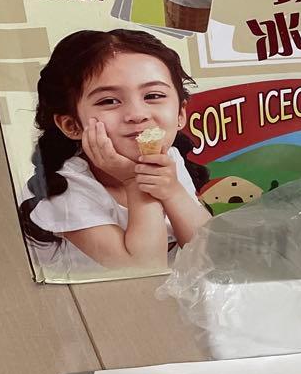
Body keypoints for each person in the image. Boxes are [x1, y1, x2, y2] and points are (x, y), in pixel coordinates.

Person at [18, 29, 211, 276]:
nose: (137, 114)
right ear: (72, 125)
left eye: (153, 96)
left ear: (180, 114)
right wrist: (134, 182)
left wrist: (172, 191)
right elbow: (144, 271)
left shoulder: (168, 159)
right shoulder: (63, 191)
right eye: (109, 101)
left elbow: (210, 254)